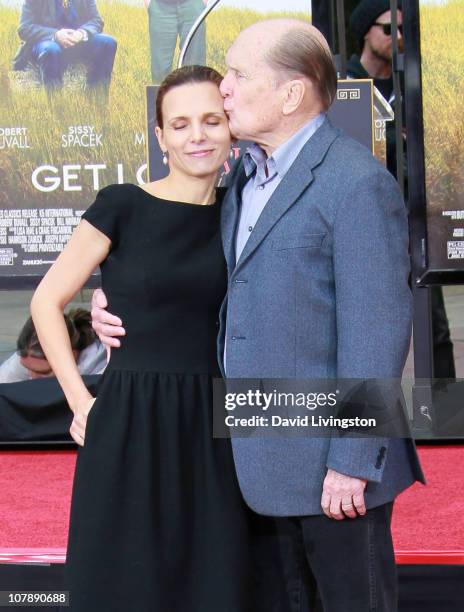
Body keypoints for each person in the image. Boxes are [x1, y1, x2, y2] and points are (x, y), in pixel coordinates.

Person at [93, 19, 425, 611]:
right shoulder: (244, 176)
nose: (224, 89)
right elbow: (205, 278)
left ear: (291, 94)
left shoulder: (355, 185)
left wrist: (351, 462)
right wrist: (115, 300)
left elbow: (376, 333)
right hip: (254, 467)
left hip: (334, 473)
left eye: (239, 76)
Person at [31, 66, 263, 611]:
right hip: (129, 416)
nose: (197, 136)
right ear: (160, 138)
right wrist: (79, 398)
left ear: (232, 126)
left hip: (215, 423)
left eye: (211, 120)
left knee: (212, 580)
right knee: (121, 581)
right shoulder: (122, 205)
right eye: (179, 125)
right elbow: (46, 301)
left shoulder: (244, 207)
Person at [348, 0, 456, 380]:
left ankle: (443, 412)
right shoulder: (342, 82)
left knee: (433, 324)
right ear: (365, 31)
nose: (398, 38)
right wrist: (398, 137)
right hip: (364, 221)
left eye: (404, 30)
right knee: (366, 326)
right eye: (389, 29)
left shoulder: (414, 81)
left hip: (414, 218)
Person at [12, 0, 117, 90]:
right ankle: (56, 105)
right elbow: (24, 28)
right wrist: (55, 35)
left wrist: (81, 33)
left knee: (108, 42)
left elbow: (97, 20)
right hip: (47, 41)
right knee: (50, 50)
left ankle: (97, 99)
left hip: (78, 41)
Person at [0, 309, 106, 383]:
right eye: (26, 368)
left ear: (72, 356)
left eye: (44, 372)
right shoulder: (30, 356)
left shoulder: (99, 370)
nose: (32, 377)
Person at [144, 0, 207, 84]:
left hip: (193, 4)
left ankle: (193, 97)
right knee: (160, 71)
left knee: (195, 67)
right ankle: (161, 97)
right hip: (159, 6)